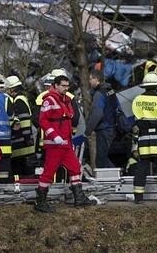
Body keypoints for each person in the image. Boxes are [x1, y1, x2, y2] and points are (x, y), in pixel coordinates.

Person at [34, 73, 95, 213]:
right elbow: (42, 120)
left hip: (65, 143)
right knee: (49, 172)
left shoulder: (65, 100)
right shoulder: (49, 100)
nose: (66, 88)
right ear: (55, 86)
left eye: (67, 86)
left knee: (75, 168)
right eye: (63, 86)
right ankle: (40, 201)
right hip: (55, 144)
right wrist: (54, 135)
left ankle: (79, 198)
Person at [131, 72, 157, 204]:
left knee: (141, 169)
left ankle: (138, 197)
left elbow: (136, 120)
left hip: (143, 141)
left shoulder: (137, 100)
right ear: (156, 87)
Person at [86, 69, 119, 168]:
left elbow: (97, 113)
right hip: (112, 127)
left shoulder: (99, 94)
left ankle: (112, 178)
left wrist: (88, 130)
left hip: (104, 128)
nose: (89, 81)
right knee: (103, 157)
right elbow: (117, 107)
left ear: (96, 79)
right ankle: (114, 176)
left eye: (90, 79)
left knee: (101, 159)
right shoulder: (110, 91)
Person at [6, 76, 35, 177]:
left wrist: (27, 139)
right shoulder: (21, 99)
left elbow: (25, 121)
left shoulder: (19, 101)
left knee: (22, 174)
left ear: (12, 89)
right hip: (23, 144)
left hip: (22, 145)